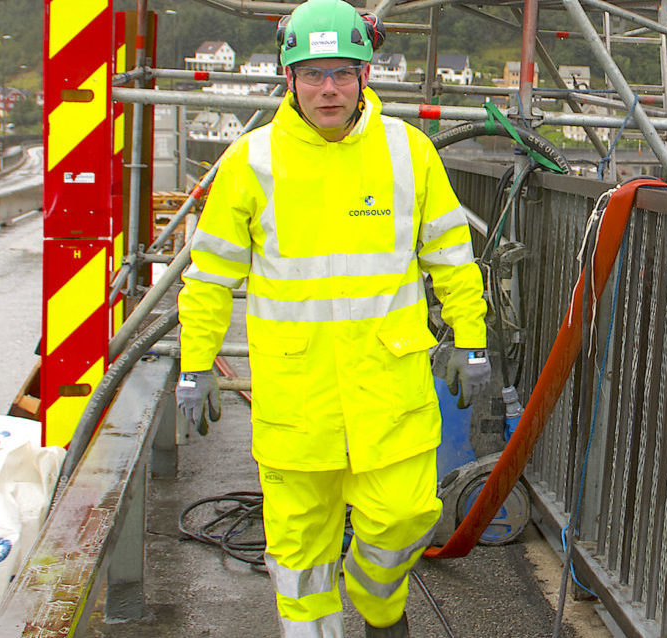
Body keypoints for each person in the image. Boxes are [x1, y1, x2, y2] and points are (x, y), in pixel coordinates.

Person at [176, 0, 490, 635]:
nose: (328, 89)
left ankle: (378, 605)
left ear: (366, 76)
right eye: (313, 73)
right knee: (298, 553)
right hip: (299, 400)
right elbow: (209, 279)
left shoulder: (409, 151)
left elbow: (454, 258)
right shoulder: (251, 162)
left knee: (405, 517)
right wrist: (194, 365)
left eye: (343, 73)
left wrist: (470, 340)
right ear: (288, 79)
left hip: (389, 391)